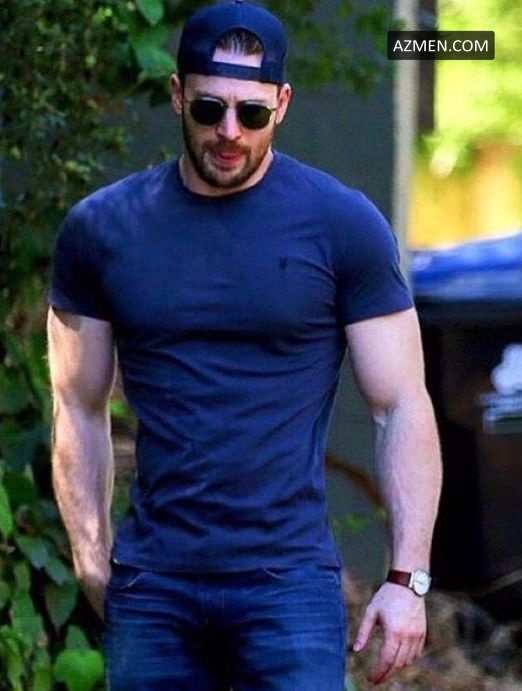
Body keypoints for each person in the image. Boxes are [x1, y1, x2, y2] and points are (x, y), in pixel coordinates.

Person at [47, 1, 442, 688]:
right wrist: (90, 560)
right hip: (154, 586)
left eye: (252, 113)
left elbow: (402, 403)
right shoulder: (103, 229)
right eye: (209, 109)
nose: (230, 132)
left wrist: (408, 578)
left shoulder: (342, 225)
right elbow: (77, 405)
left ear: (282, 104)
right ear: (178, 95)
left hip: (287, 584)